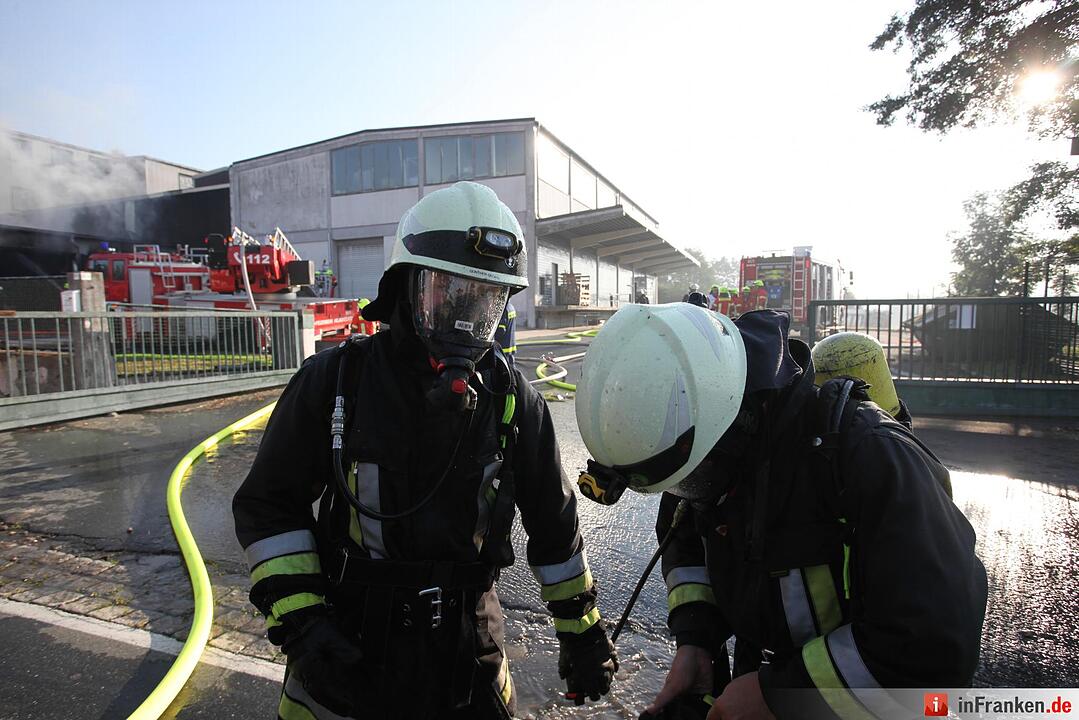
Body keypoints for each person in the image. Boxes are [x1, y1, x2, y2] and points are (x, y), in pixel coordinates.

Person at [233, 182, 617, 720]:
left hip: (468, 657)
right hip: (345, 653)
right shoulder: (335, 383)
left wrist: (583, 633)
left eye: (485, 300)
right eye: (448, 292)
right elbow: (269, 505)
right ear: (406, 290)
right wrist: (304, 627)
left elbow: (555, 529)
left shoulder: (514, 404)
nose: (466, 317)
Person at [573, 304, 987, 720]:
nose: (683, 495)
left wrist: (779, 694)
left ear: (737, 422)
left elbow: (935, 654)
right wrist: (697, 641)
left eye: (687, 483)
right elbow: (687, 544)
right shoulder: (699, 457)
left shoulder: (872, 456)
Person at [494, 299, 517, 369]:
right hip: (510, 350)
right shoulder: (510, 307)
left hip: (502, 351)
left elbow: (500, 331)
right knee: (512, 374)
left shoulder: (503, 309)